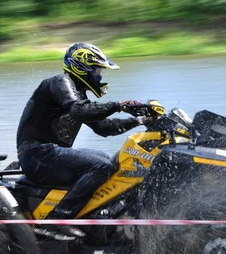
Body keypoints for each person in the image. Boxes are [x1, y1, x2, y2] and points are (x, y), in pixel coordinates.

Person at [16, 42, 151, 221]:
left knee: (110, 160)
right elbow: (79, 111)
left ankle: (99, 213)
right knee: (101, 166)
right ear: (82, 68)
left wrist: (140, 121)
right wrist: (118, 106)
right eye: (96, 71)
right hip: (37, 154)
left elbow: (104, 128)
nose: (99, 77)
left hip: (49, 153)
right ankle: (61, 216)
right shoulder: (59, 82)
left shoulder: (78, 95)